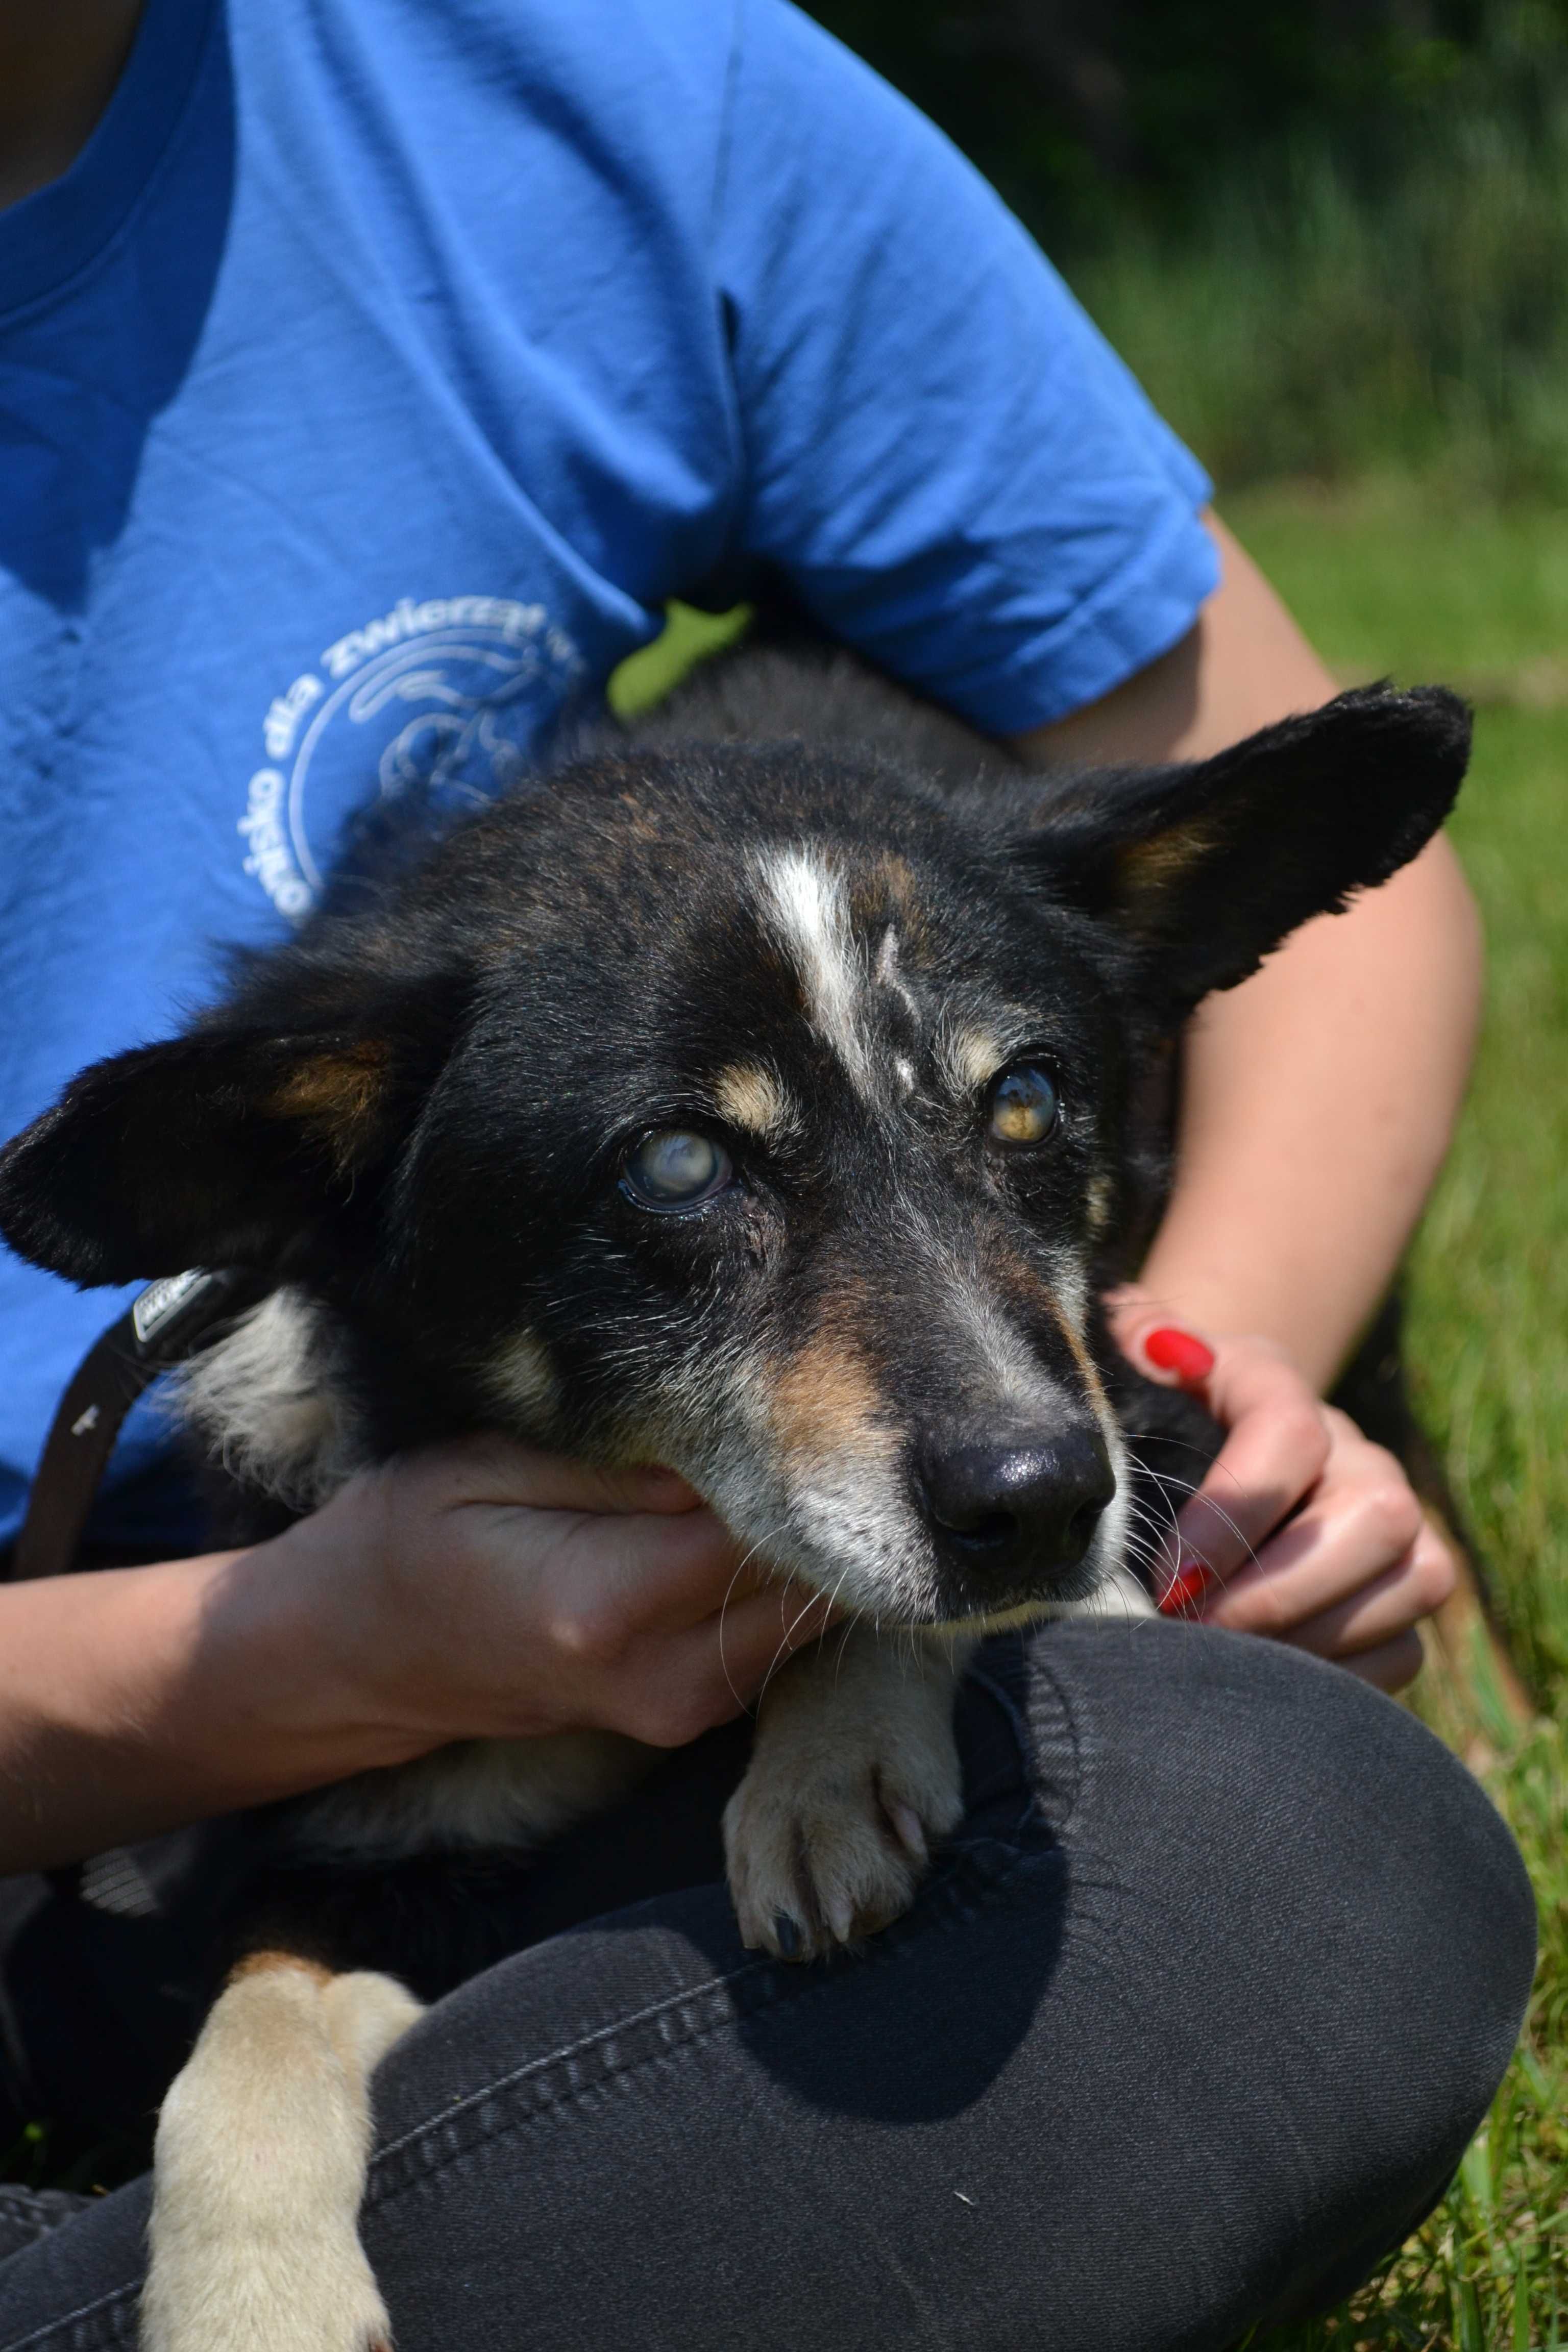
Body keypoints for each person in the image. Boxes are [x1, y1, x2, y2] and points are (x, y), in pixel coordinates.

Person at [0, 1, 1533, 2345]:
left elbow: (1295, 859)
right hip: (158, 1706)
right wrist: (289, 1660)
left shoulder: (588, 88)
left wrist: (1204, 1429)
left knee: (1285, 1860)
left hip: (520, 1630)